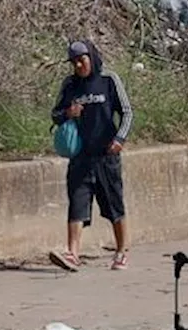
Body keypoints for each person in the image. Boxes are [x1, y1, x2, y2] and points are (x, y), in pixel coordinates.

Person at [49, 41, 133, 272]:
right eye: (74, 61)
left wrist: (120, 139)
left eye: (82, 59)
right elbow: (55, 114)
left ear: (92, 57)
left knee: (114, 205)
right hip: (80, 158)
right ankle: (72, 254)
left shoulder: (109, 80)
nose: (78, 65)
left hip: (106, 156)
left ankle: (121, 251)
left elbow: (126, 111)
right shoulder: (70, 84)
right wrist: (68, 112)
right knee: (77, 204)